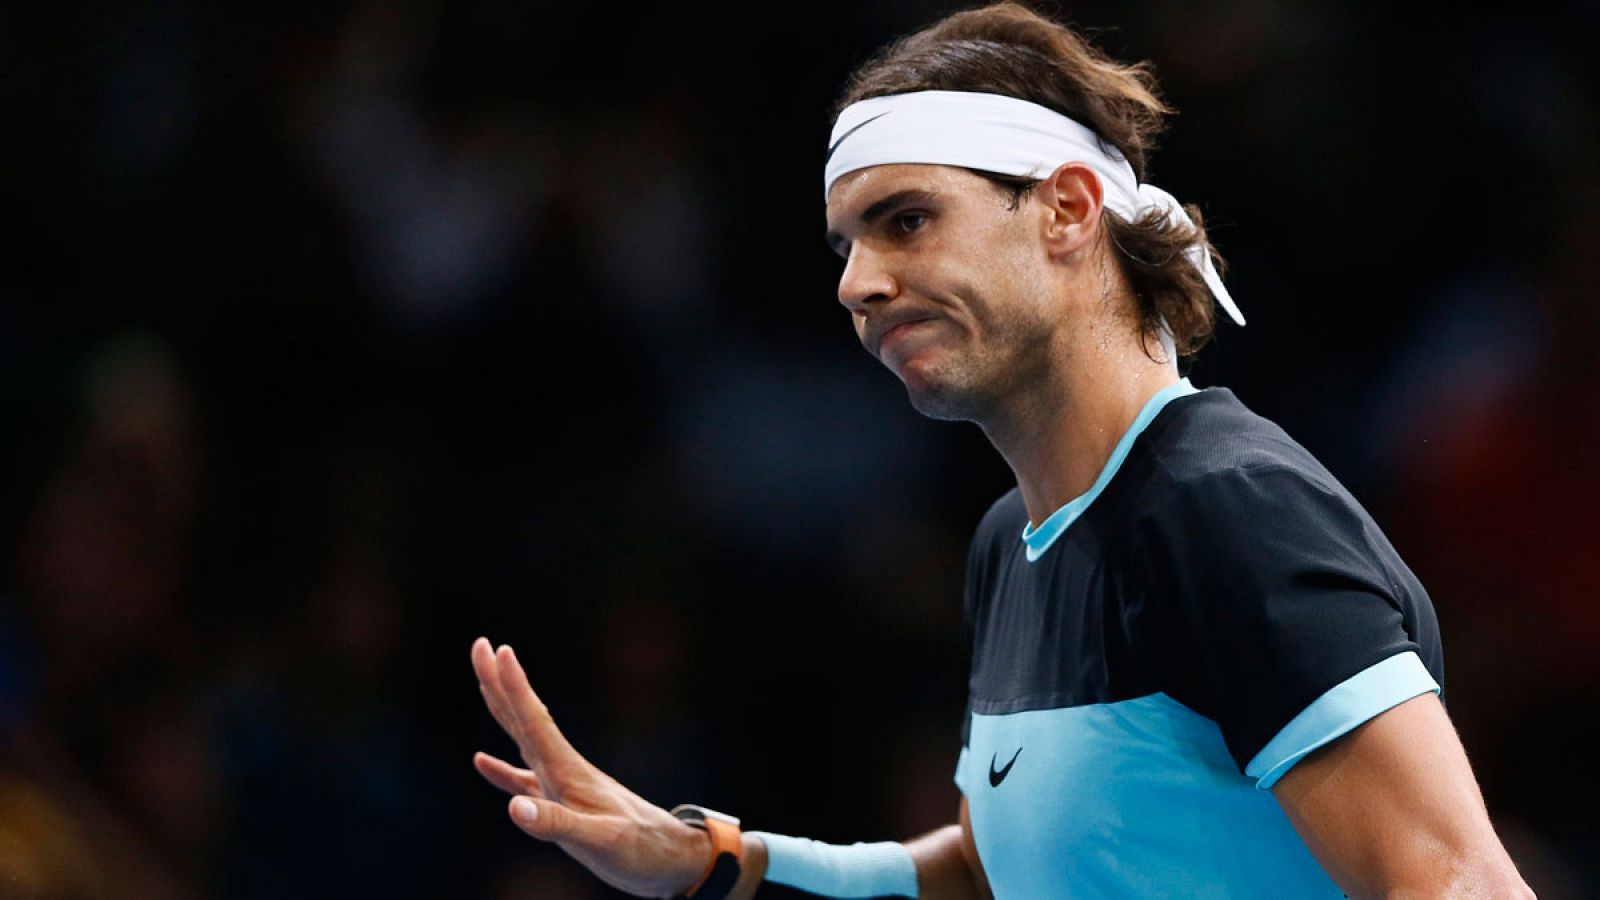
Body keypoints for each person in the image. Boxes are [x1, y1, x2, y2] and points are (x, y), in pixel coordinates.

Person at [469, 4, 1534, 897]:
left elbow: (1457, 883)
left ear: (1065, 209)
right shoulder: (1007, 544)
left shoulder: (1225, 512)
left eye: (907, 220)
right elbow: (1000, 866)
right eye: (846, 245)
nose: (855, 283)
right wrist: (712, 859)